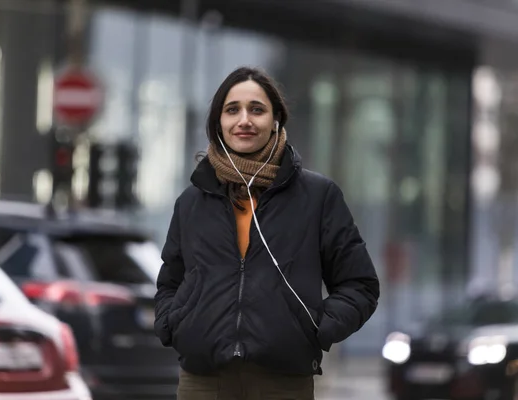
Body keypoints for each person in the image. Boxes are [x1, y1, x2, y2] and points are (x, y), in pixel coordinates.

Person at [154, 66, 380, 400]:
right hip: (203, 381)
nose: (244, 120)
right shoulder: (192, 201)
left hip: (283, 382)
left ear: (276, 120)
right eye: (232, 110)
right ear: (219, 122)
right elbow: (170, 282)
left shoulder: (317, 196)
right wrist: (173, 324)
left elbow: (360, 285)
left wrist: (318, 330)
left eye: (256, 109)